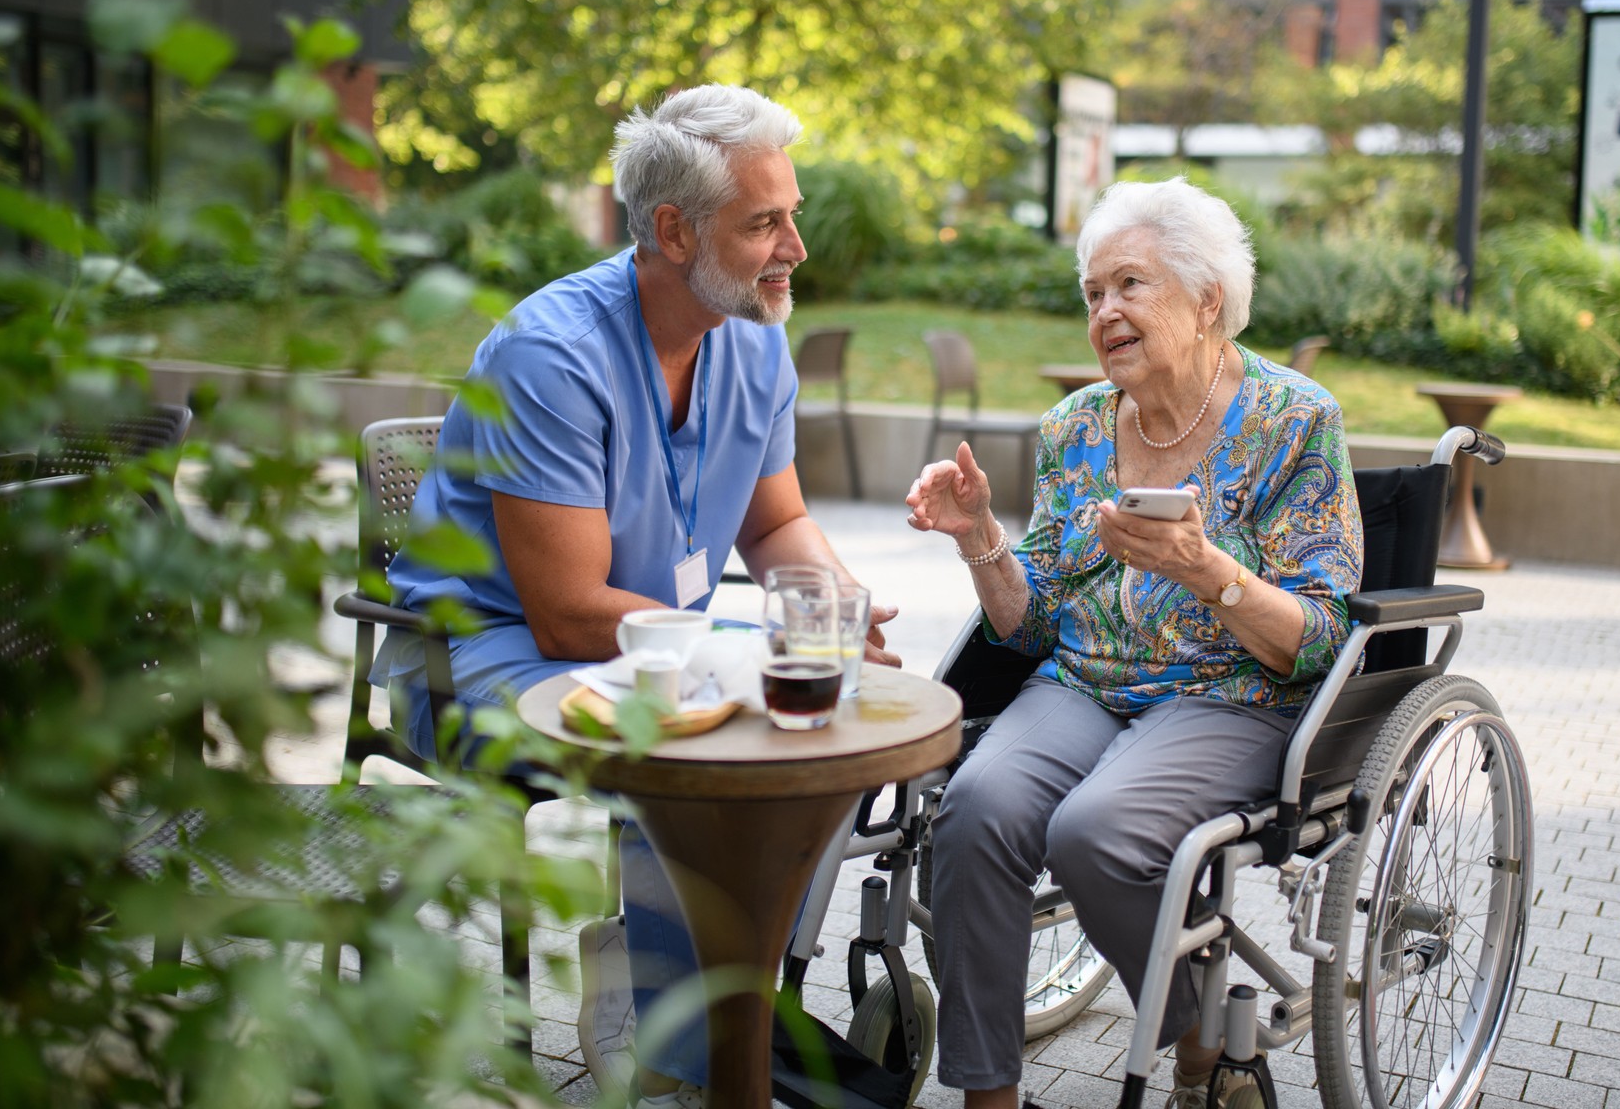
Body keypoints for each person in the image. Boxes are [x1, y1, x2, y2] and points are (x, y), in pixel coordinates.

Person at [369, 83, 897, 1109]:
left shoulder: (753, 335)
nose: (795, 244)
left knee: (821, 730)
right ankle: (681, 1047)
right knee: (704, 756)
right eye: (764, 222)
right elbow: (566, 612)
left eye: (790, 213)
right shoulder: (550, 354)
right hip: (483, 656)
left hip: (650, 654)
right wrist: (754, 642)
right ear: (672, 229)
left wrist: (834, 606)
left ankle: (693, 1014)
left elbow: (776, 524)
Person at [904, 178, 1362, 1109]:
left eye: (1130, 286)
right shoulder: (1073, 429)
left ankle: (1196, 1036)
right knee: (976, 808)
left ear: (1206, 301)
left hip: (1230, 693)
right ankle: (988, 1096)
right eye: (1093, 295)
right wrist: (978, 537)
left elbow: (1318, 638)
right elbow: (1028, 624)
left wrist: (1209, 571)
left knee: (1096, 832)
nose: (1106, 311)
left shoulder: (1295, 422)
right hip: (1082, 683)